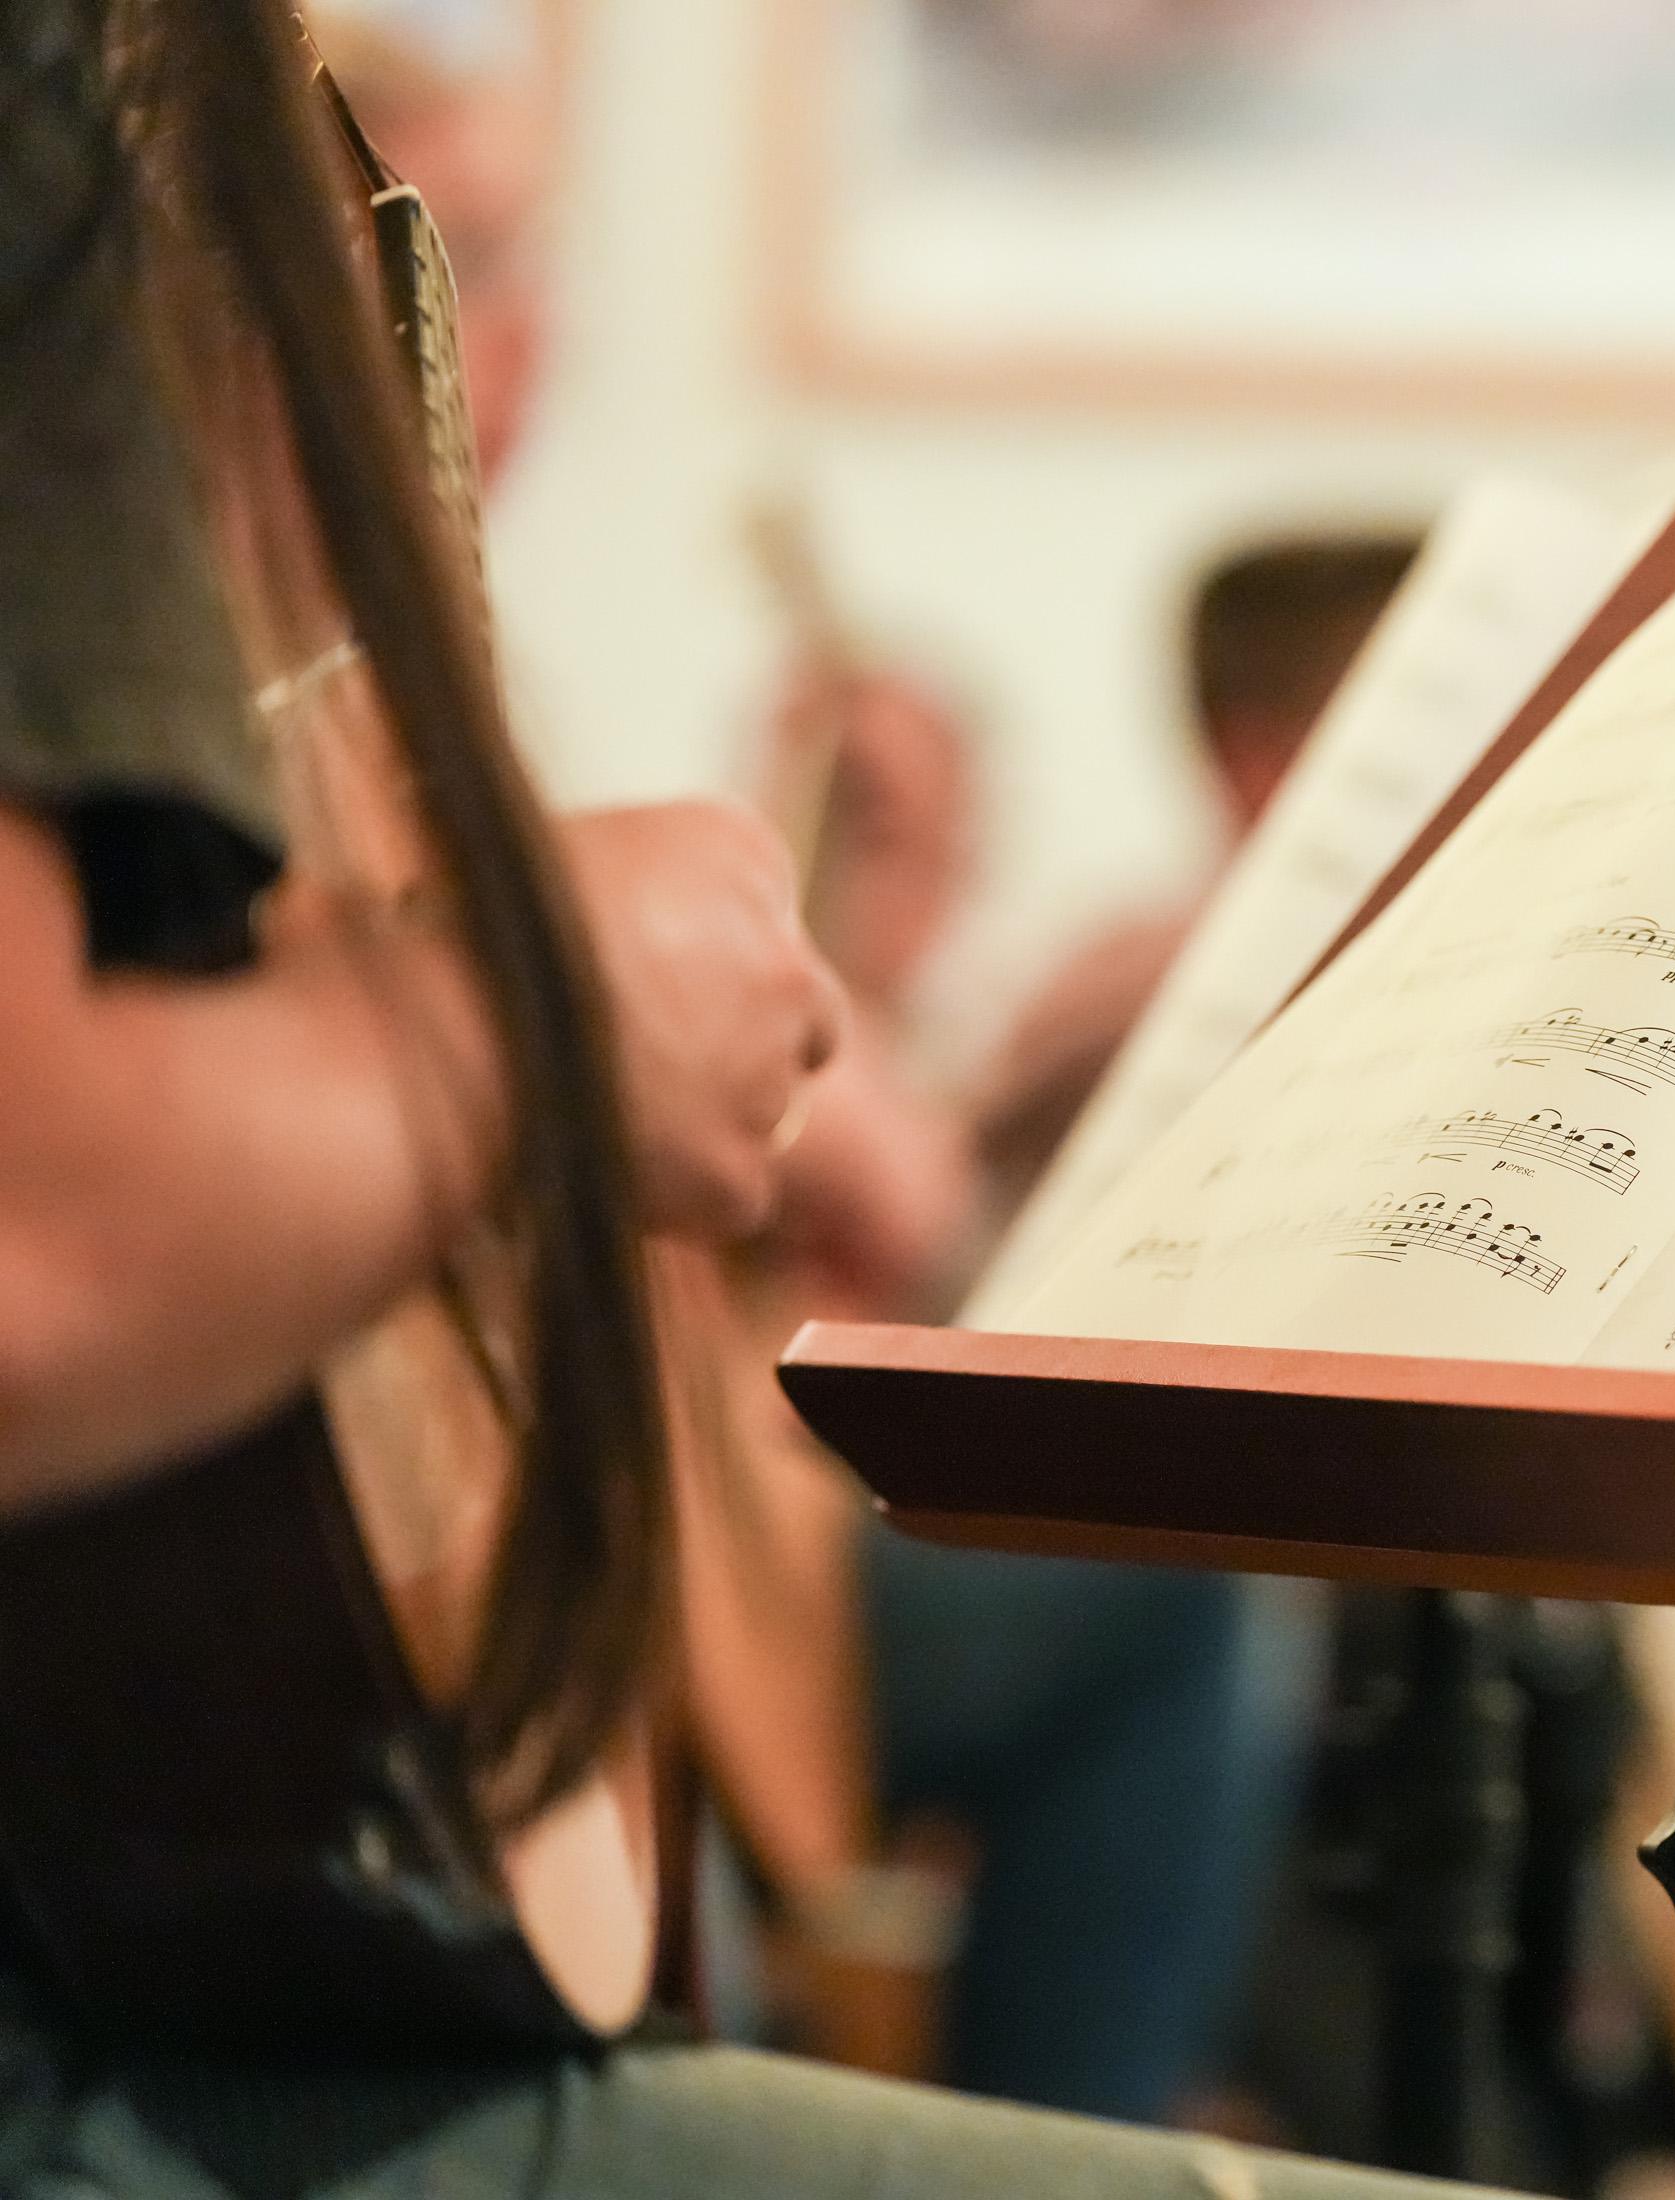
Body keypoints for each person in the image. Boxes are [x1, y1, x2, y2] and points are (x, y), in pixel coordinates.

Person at [0, 4, 1496, 2193]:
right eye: (434, 257)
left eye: (500, 265)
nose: (499, 336)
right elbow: (84, 1214)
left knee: (1112, 1617)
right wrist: (557, 1011)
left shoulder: (391, 672)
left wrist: (832, 951)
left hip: (393, 1677)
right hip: (156, 1906)